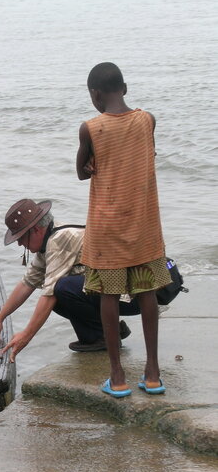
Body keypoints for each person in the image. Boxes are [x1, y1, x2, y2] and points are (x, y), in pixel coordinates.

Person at [76, 62, 170, 398]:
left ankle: (117, 376)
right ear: (125, 88)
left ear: (95, 94)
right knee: (147, 293)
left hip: (107, 229)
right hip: (143, 225)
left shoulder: (90, 128)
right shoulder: (147, 120)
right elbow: (144, 153)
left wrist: (89, 161)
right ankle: (153, 373)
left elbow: (82, 172)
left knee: (109, 297)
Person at [0, 198, 138, 362]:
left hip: (131, 295)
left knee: (61, 289)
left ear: (36, 230)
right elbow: (27, 284)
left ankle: (101, 337)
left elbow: (49, 295)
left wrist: (25, 336)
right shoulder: (48, 240)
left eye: (21, 238)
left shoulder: (59, 240)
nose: (20, 244)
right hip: (113, 293)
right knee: (58, 291)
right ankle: (108, 332)